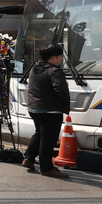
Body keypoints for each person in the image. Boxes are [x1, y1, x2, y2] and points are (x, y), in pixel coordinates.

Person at [23, 43, 72, 178]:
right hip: (50, 110)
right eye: (60, 56)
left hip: (33, 107)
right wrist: (65, 104)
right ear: (53, 58)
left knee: (39, 133)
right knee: (48, 139)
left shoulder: (35, 67)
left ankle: (29, 158)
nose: (61, 59)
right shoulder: (55, 71)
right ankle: (46, 167)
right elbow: (60, 91)